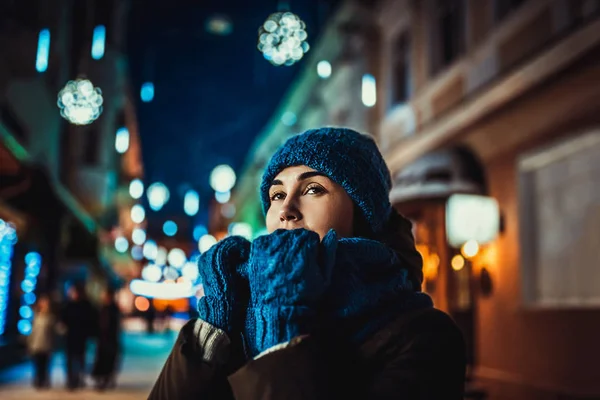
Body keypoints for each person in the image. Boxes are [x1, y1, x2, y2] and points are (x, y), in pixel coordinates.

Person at [149, 127, 466, 399]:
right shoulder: (240, 319)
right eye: (276, 195)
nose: (286, 208)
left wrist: (280, 330)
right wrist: (212, 332)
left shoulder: (425, 336)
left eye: (313, 189)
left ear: (362, 214)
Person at [60, 282, 96, 390]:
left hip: (81, 337)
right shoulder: (68, 305)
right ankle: (71, 380)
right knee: (70, 359)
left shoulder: (85, 305)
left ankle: (79, 378)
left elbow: (91, 321)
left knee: (80, 358)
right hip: (70, 337)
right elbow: (63, 320)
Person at [92, 287, 122, 391]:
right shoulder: (102, 309)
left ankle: (107, 379)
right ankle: (101, 379)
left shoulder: (113, 309)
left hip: (110, 340)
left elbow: (115, 325)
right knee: (102, 360)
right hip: (102, 339)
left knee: (109, 360)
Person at [27, 295, 55, 390]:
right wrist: (30, 343)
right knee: (37, 365)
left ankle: (44, 380)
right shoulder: (35, 316)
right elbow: (32, 332)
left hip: (46, 345)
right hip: (36, 344)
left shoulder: (50, 318)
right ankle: (38, 380)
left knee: (45, 365)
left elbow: (53, 332)